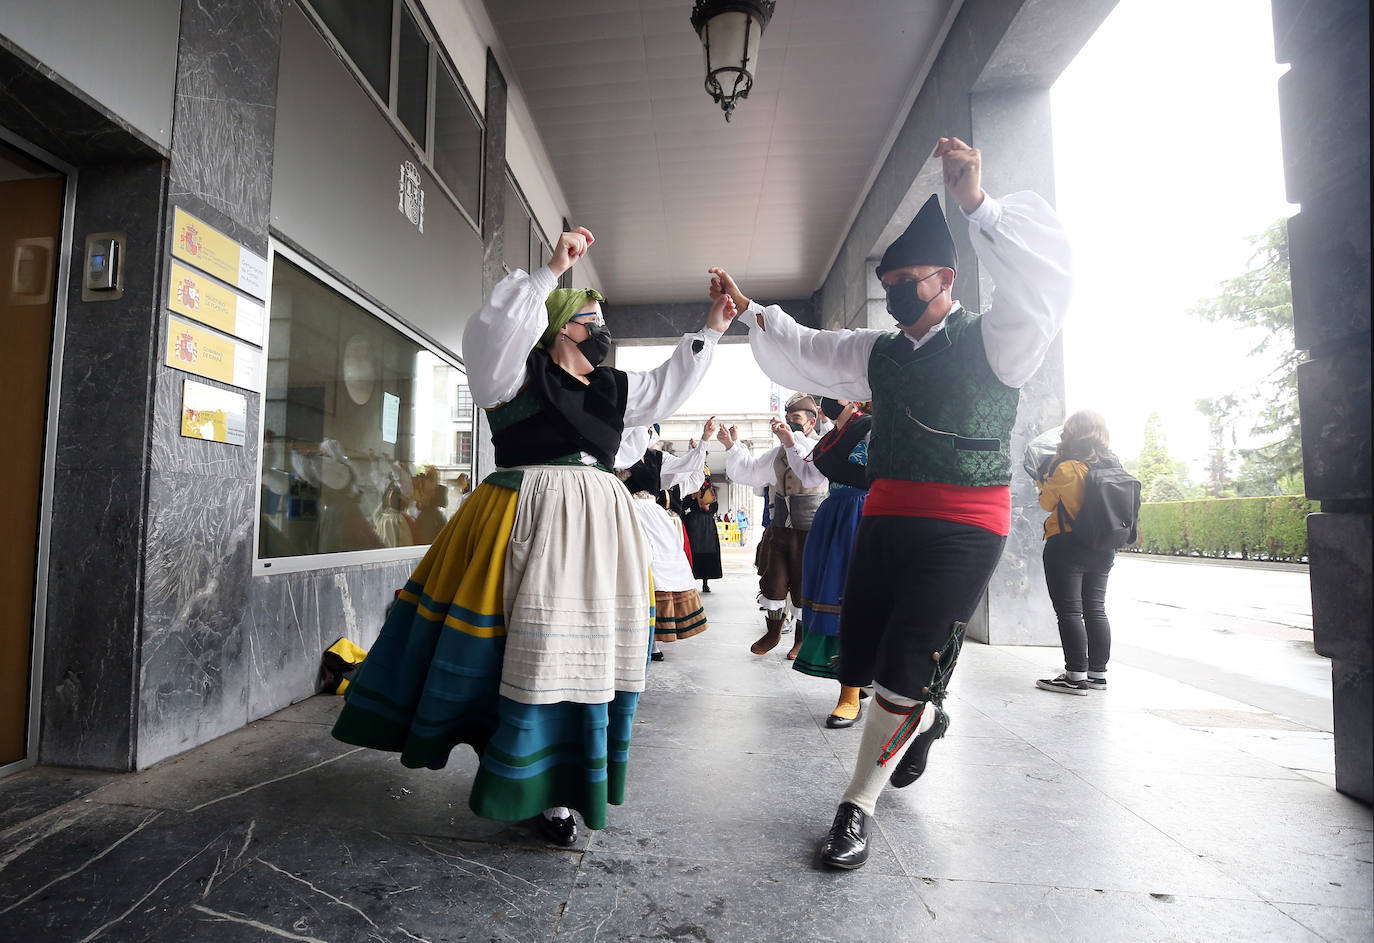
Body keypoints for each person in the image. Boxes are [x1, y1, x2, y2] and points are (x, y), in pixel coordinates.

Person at [709, 136, 1073, 870]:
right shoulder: (878, 350)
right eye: (891, 279)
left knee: (906, 661)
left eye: (909, 278)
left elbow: (1039, 291)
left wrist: (977, 203)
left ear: (945, 278)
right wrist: (752, 312)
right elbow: (810, 346)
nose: (898, 289)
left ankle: (856, 805)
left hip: (966, 525)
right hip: (885, 514)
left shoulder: (996, 341)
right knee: (870, 656)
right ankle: (926, 718)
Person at [332, 226, 733, 849]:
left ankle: (555, 785)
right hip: (525, 523)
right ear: (556, 328)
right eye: (590, 320)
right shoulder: (510, 376)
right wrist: (550, 271)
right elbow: (491, 332)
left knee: (578, 659)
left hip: (596, 535)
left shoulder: (611, 391)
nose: (601, 331)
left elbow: (670, 382)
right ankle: (521, 775)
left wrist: (712, 325)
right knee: (520, 654)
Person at [717, 394, 829, 658]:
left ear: (811, 423)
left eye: (796, 419)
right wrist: (731, 446)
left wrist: (793, 439)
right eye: (788, 418)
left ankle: (801, 638)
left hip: (810, 530)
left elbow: (815, 470)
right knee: (774, 581)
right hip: (779, 529)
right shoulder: (776, 453)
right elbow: (750, 471)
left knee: (804, 584)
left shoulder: (821, 448)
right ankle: (773, 632)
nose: (790, 424)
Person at [795, 397, 872, 729]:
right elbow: (811, 474)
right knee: (831, 592)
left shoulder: (873, 426)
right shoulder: (831, 436)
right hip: (835, 513)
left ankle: (851, 693)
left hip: (864, 514)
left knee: (852, 598)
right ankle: (856, 680)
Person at [1034, 410, 1118, 694]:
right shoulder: (1114, 465)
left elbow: (1047, 503)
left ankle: (1074, 676)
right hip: (1104, 548)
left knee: (1070, 611)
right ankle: (1097, 674)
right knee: (1096, 609)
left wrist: (1042, 479)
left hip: (1067, 545)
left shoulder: (1067, 467)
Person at [617, 421, 716, 659]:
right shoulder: (618, 450)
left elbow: (688, 464)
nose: (647, 428)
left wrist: (705, 439)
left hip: (652, 516)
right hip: (624, 512)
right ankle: (630, 635)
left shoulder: (657, 457)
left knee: (661, 572)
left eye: (650, 425)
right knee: (634, 572)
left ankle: (654, 640)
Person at [682, 462, 723, 593]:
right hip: (693, 523)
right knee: (692, 550)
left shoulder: (710, 490)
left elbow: (715, 506)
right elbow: (684, 505)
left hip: (706, 525)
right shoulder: (690, 489)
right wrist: (693, 501)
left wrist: (708, 509)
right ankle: (690, 580)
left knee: (707, 550)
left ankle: (705, 582)